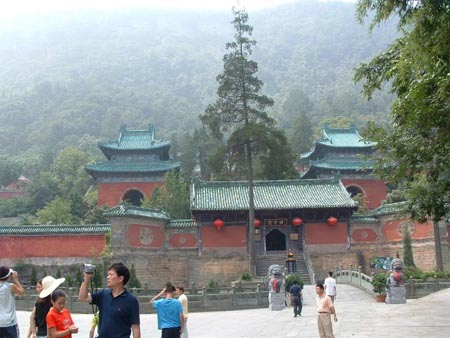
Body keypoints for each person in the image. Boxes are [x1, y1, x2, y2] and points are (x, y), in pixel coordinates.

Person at [78, 262, 141, 338]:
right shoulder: (103, 294)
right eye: (108, 275)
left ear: (120, 278)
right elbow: (82, 297)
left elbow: (135, 327)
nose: (108, 277)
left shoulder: (131, 301)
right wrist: (86, 278)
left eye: (111, 275)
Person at [0, 266, 25, 338]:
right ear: (8, 276)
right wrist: (16, 280)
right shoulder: (11, 286)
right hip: (10, 323)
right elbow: (22, 292)